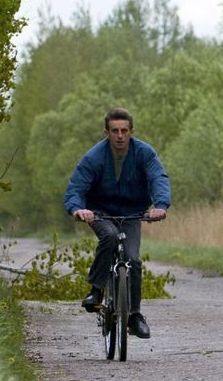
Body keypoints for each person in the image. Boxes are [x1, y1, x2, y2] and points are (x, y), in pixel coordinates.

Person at [64, 108, 170, 339]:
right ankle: (96, 290)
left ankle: (134, 316)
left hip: (132, 213)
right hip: (100, 212)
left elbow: (158, 178)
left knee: (132, 259)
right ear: (106, 133)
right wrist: (77, 209)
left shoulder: (144, 153)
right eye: (115, 131)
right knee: (110, 237)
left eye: (124, 131)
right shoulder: (94, 157)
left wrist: (160, 206)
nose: (120, 135)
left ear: (131, 132)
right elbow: (76, 187)